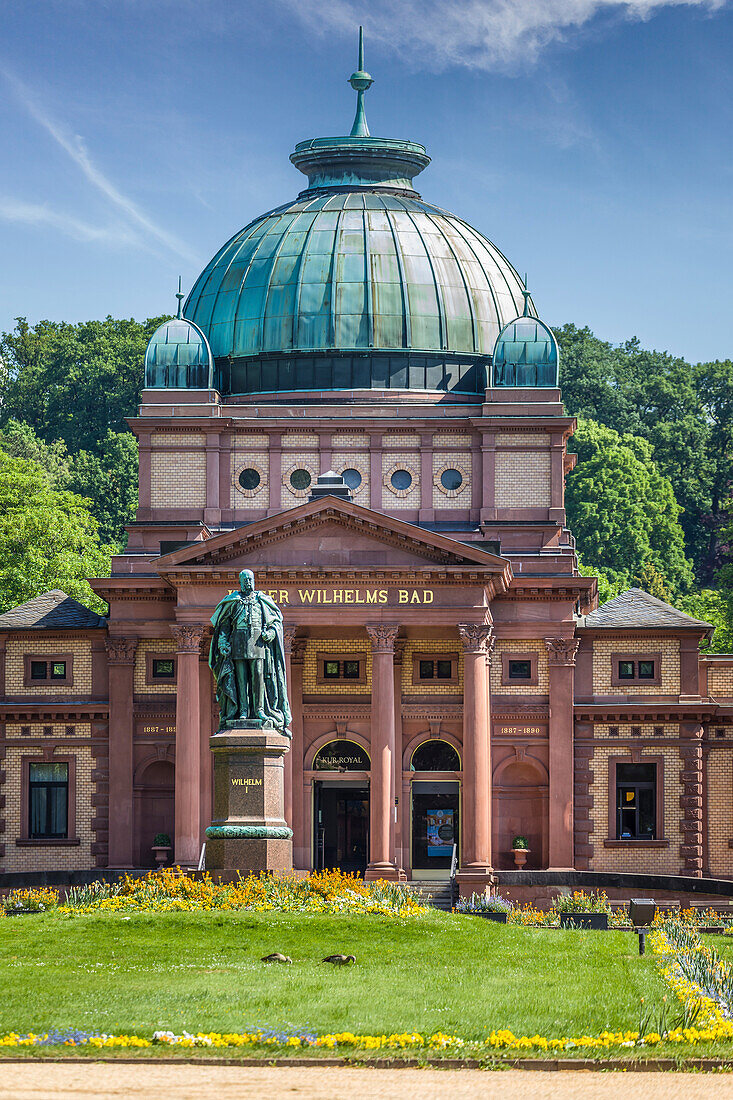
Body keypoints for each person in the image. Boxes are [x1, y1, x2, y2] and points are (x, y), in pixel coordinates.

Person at [209, 569, 291, 730]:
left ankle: (260, 709)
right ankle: (243, 710)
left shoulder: (262, 600)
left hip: (258, 642)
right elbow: (224, 626)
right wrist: (222, 643)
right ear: (240, 582)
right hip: (238, 644)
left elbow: (275, 622)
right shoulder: (233, 601)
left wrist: (271, 632)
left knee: (258, 677)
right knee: (241, 679)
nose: (248, 582)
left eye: (250, 579)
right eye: (245, 579)